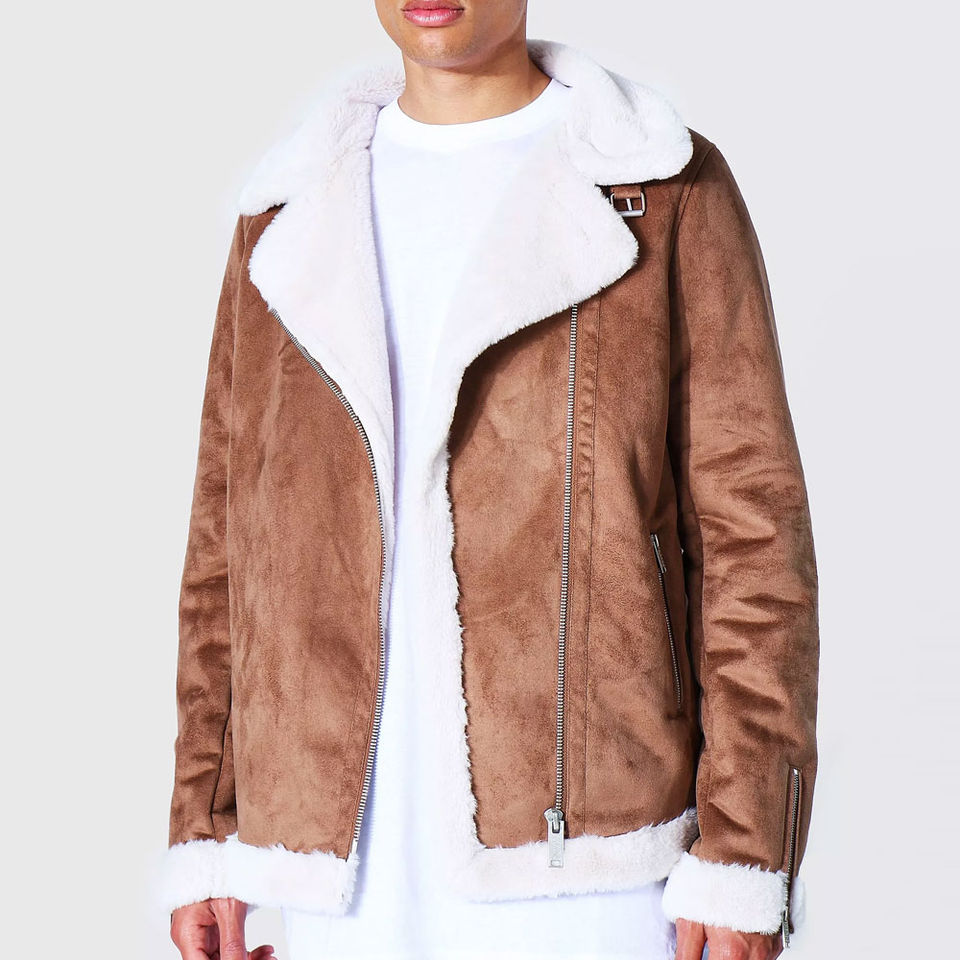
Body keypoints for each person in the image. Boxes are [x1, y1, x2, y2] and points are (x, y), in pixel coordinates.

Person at [160, 3, 820, 959]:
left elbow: (754, 542)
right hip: (333, 875)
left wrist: (746, 850)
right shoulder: (288, 208)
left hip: (590, 865)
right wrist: (209, 830)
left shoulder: (660, 187)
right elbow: (225, 549)